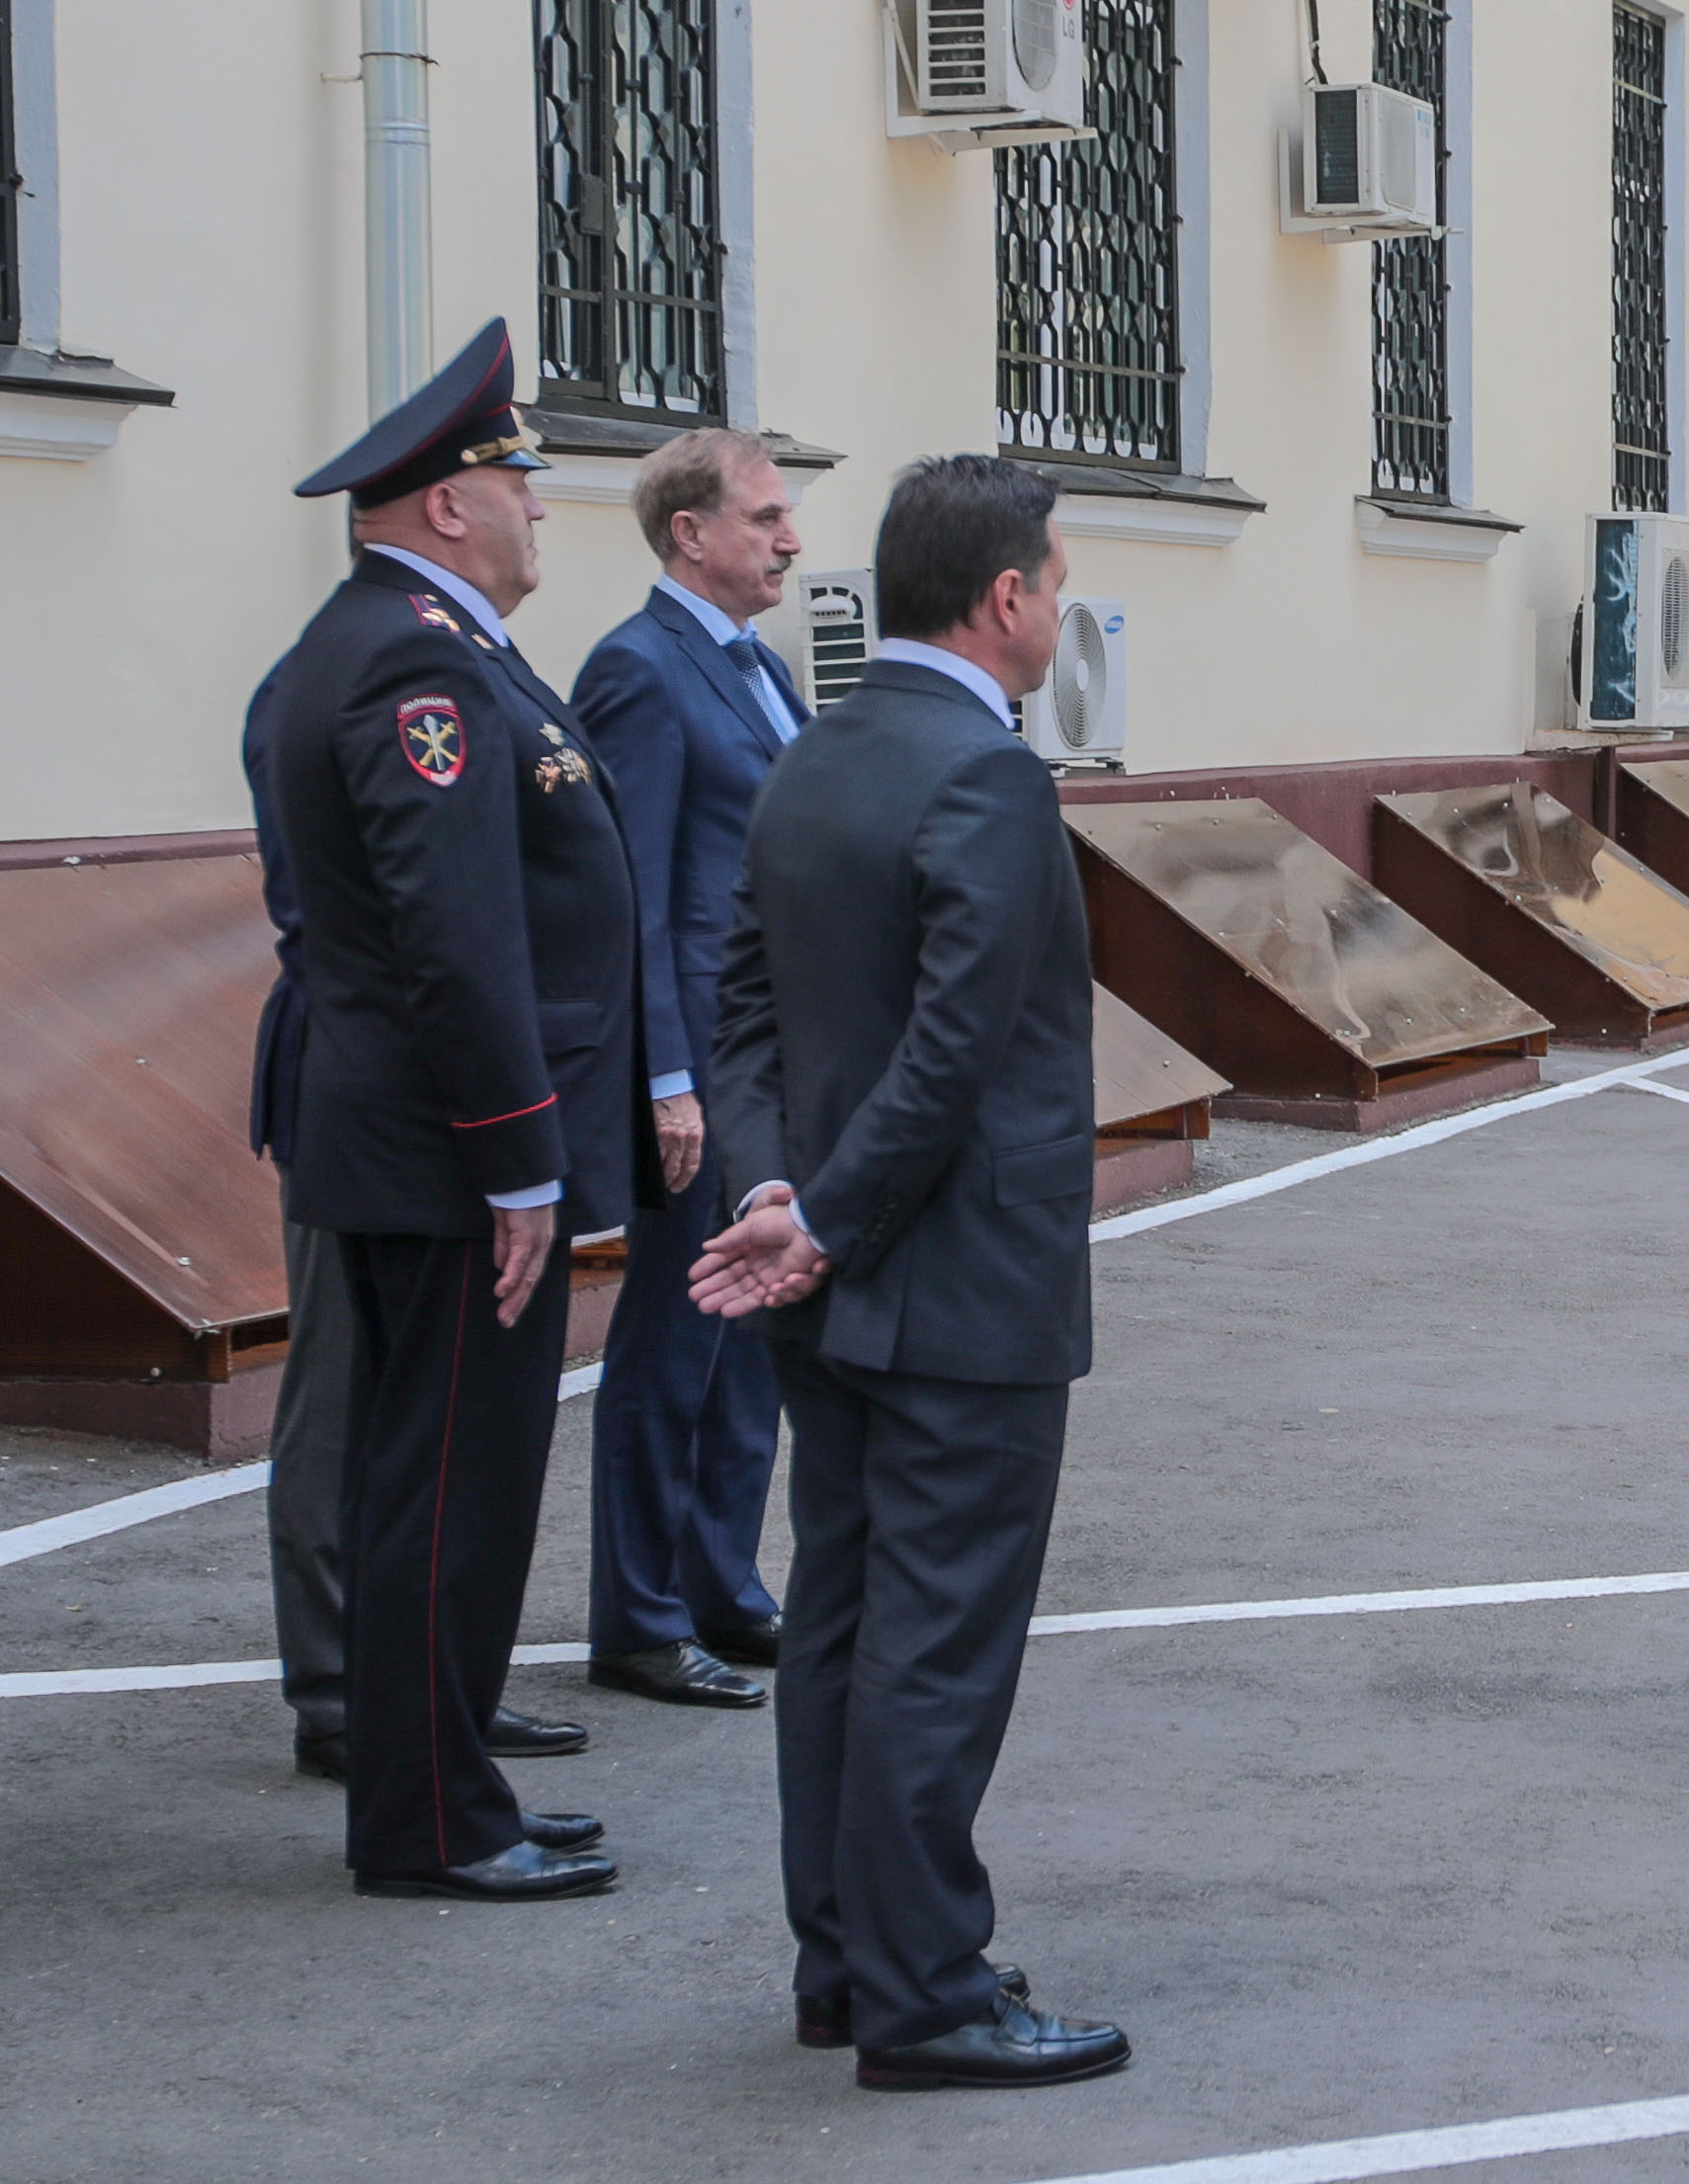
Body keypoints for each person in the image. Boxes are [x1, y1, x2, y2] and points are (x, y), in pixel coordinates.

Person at [690, 454, 1128, 2090]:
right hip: (954, 1282)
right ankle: (927, 1993)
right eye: (1056, 585)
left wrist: (778, 1189)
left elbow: (743, 1008)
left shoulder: (817, 751)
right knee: (935, 1643)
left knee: (846, 1619)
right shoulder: (987, 775)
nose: (1060, 612)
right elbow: (956, 1049)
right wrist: (822, 1216)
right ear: (1004, 598)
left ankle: (849, 1961)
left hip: (833, 1280)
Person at [264, 318, 654, 1900]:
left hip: (424, 1139)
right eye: (517, 482)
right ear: (447, 506)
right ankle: (431, 1822)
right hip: (442, 1150)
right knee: (446, 1487)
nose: (539, 505)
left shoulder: (409, 640)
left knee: (440, 1477)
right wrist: (515, 1163)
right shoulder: (412, 659)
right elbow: (454, 932)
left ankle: (445, 1785)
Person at [241, 671, 593, 1786]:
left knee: (427, 1419)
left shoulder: (454, 669)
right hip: (367, 1083)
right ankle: (340, 1689)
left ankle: (430, 1689)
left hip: (431, 1075)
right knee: (344, 1399)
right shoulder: (341, 685)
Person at [571, 428, 809, 1712]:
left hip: (769, 1067)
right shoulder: (640, 668)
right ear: (689, 531)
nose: (789, 539)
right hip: (701, 1070)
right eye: (765, 517)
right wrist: (665, 1074)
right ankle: (641, 1614)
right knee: (673, 1341)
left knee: (754, 1334)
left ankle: (724, 1582)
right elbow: (634, 899)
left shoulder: (758, 665)